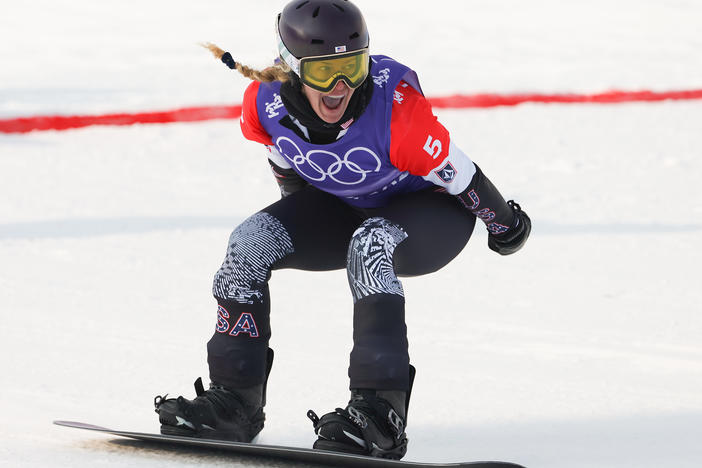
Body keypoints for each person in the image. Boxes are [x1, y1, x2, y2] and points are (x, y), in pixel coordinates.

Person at [154, 0, 531, 460]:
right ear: (289, 69)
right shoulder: (263, 104)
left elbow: (465, 177)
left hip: (430, 216)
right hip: (347, 209)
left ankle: (379, 412)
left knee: (368, 244)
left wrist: (507, 228)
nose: (340, 87)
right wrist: (297, 228)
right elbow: (288, 166)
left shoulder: (399, 115)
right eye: (322, 73)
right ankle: (235, 399)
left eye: (352, 68)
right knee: (249, 243)